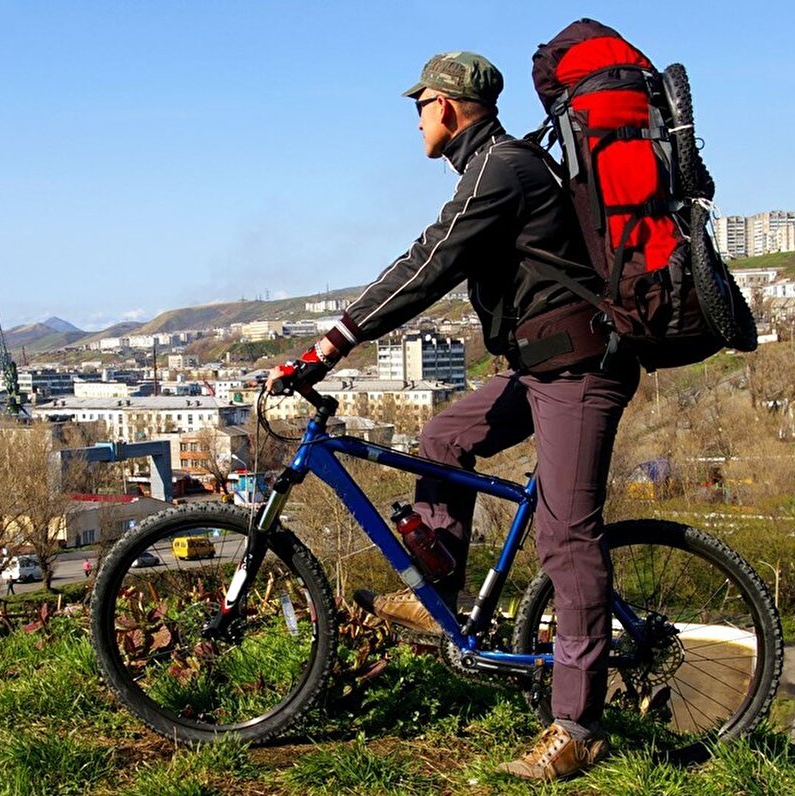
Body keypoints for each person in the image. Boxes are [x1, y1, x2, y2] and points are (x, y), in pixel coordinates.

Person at [266, 51, 640, 781]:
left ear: (447, 105)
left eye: (419, 105)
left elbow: (428, 262)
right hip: (541, 366)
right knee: (444, 436)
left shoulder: (502, 168)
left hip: (579, 370)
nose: (415, 119)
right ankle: (439, 592)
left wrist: (332, 344)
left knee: (568, 539)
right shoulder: (491, 167)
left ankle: (579, 727)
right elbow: (426, 256)